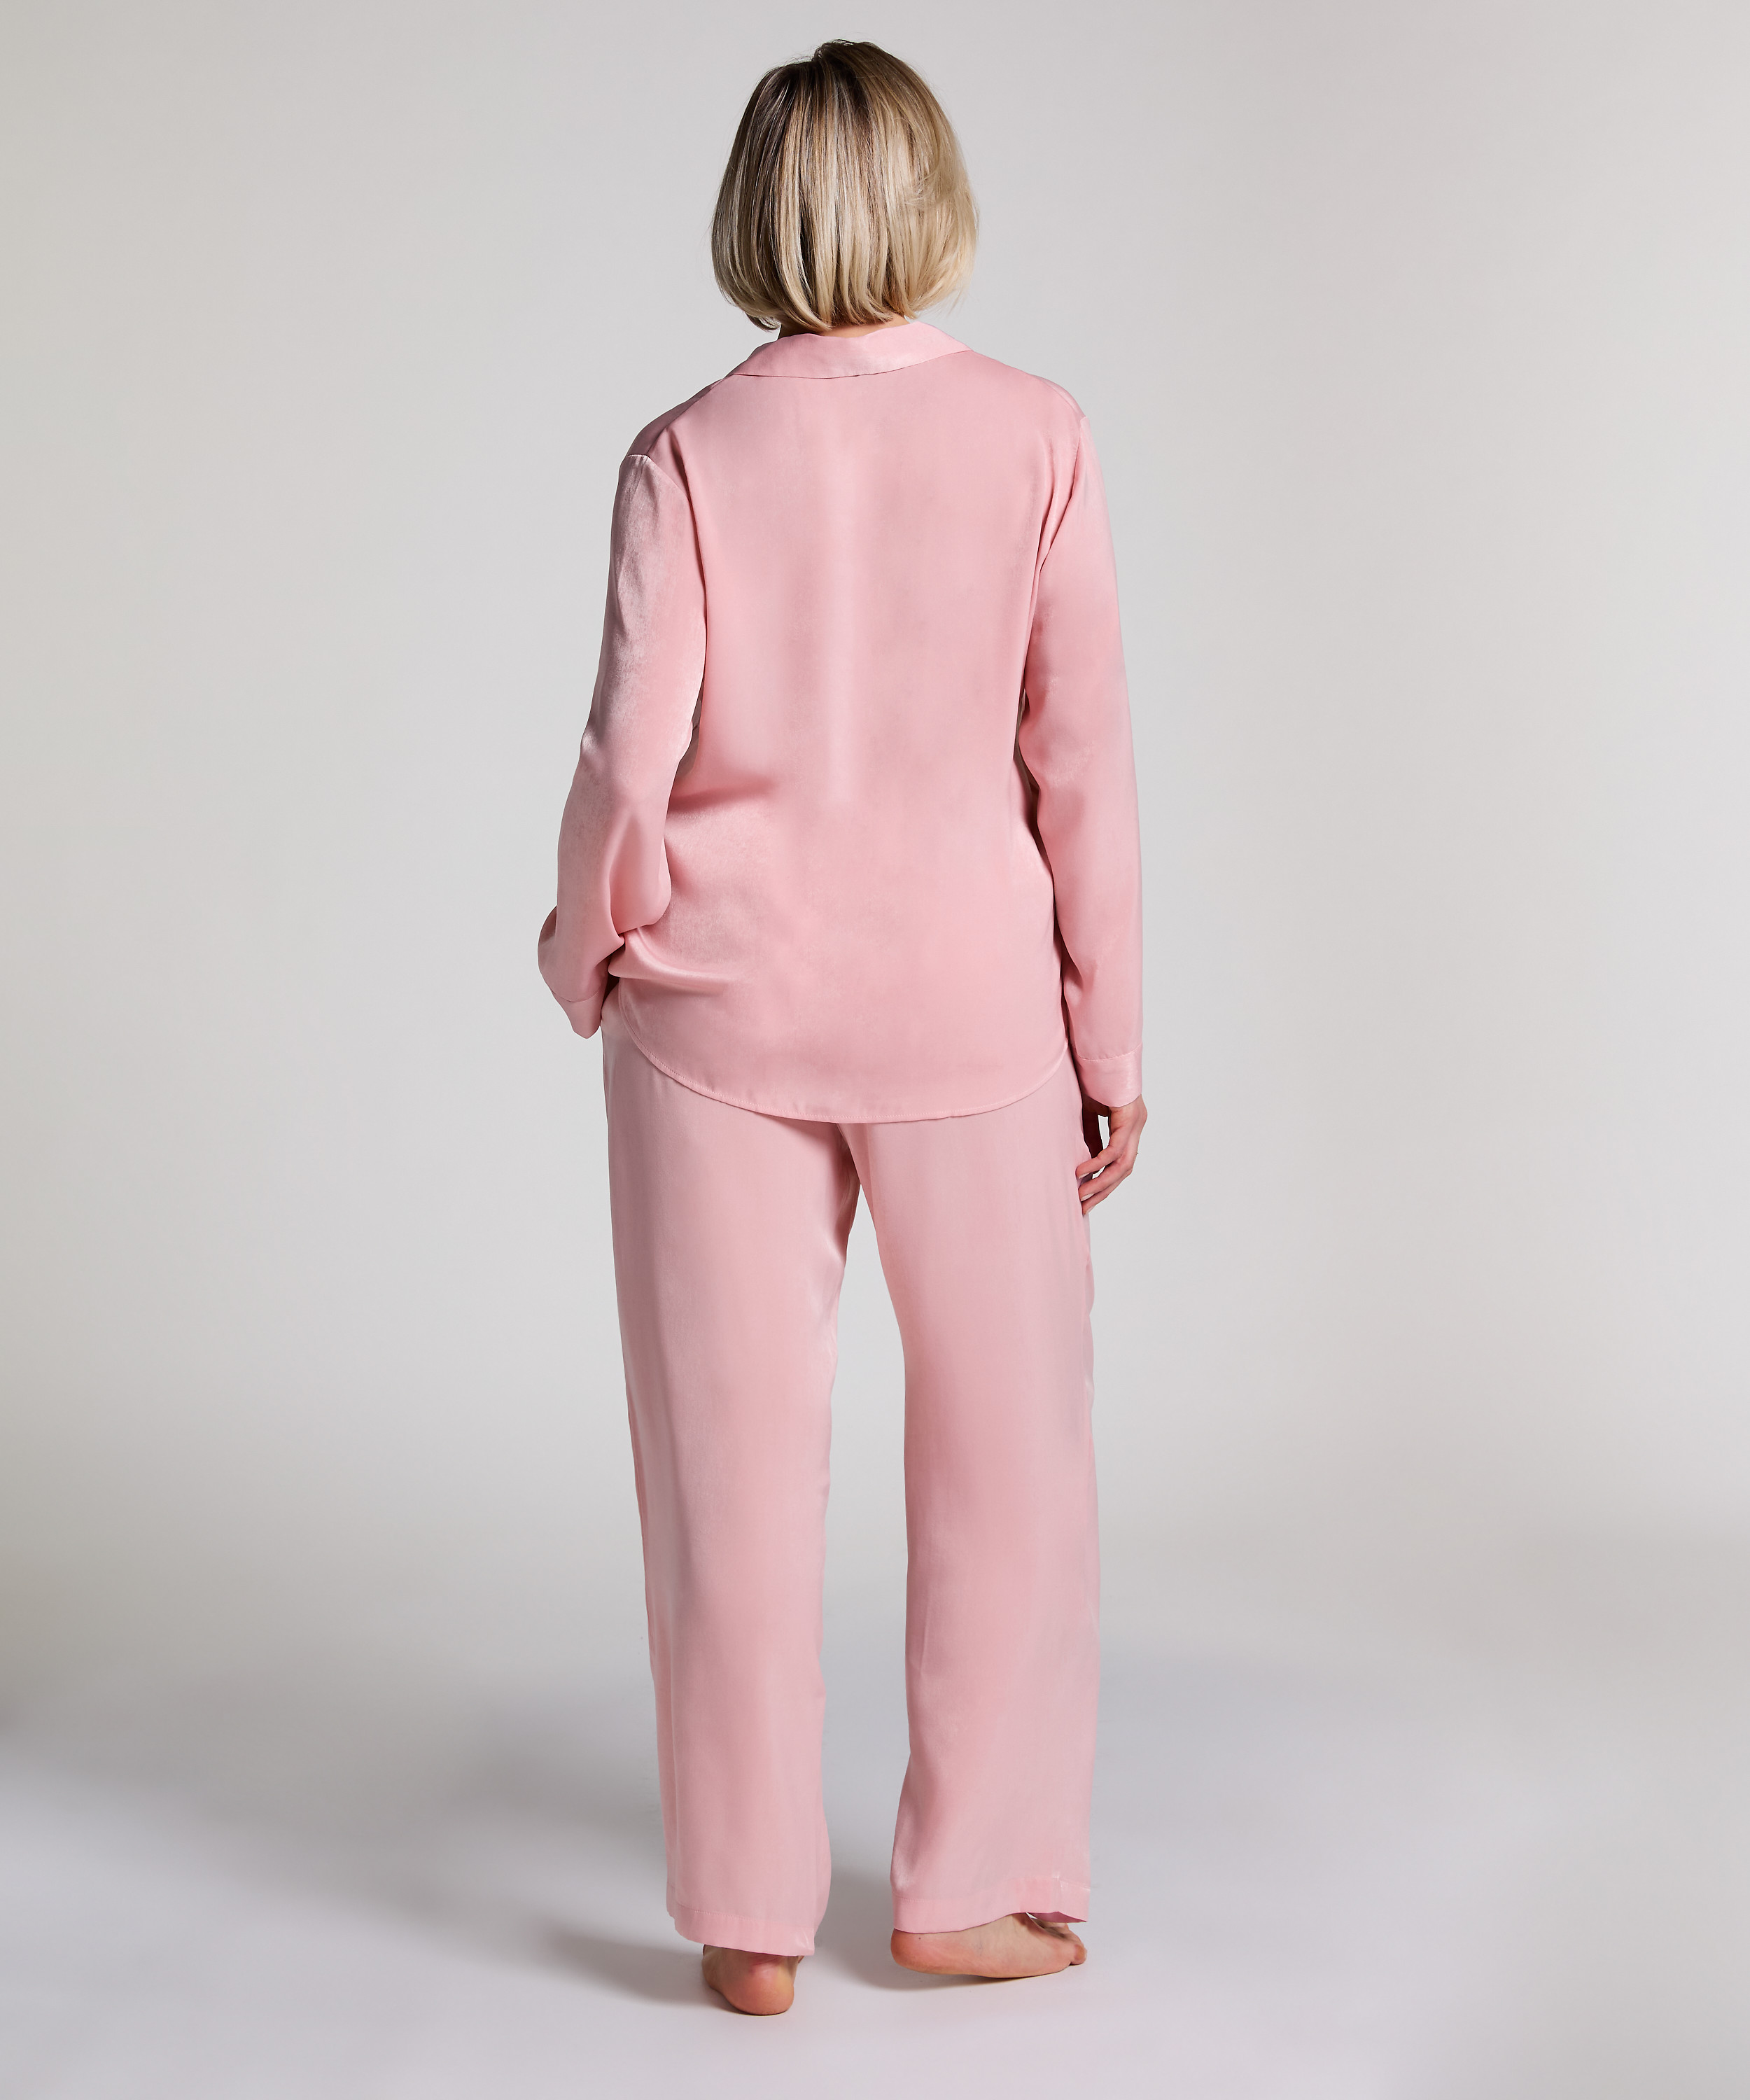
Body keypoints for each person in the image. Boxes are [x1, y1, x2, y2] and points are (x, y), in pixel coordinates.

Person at [537, 38, 1145, 2017]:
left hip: (716, 1011)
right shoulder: (1039, 434)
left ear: (754, 212)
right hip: (975, 1010)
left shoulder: (685, 455)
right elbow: (1080, 769)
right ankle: (967, 1884)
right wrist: (1109, 1040)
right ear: (932, 199)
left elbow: (629, 752)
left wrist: (585, 944)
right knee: (1011, 1464)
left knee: (725, 1469)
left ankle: (746, 1916)